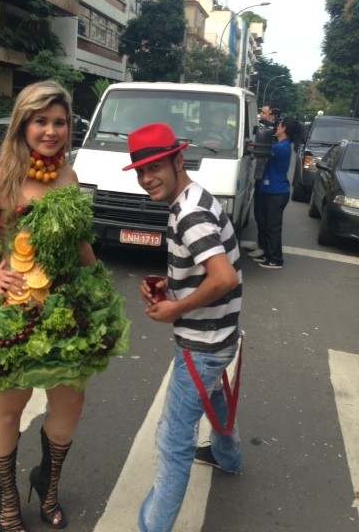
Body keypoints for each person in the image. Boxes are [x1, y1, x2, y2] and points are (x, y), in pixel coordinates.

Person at [0, 81, 130, 532]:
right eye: (41, 121)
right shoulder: (2, 176)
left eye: (59, 122)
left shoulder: (69, 177)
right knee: (8, 408)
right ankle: (8, 498)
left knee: (69, 408)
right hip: (13, 310)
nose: (51, 131)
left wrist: (97, 282)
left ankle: (48, 482)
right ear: (23, 124)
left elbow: (76, 242)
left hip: (66, 310)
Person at [122, 123, 243, 532]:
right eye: (140, 172)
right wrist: (169, 285)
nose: (146, 179)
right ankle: (228, 456)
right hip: (219, 334)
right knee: (215, 397)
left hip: (203, 342)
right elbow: (204, 266)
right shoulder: (195, 198)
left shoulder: (189, 212)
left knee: (173, 442)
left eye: (154, 167)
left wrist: (177, 309)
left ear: (178, 160)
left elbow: (224, 278)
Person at [253, 116, 301, 269]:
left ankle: (276, 259)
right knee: (267, 225)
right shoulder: (280, 145)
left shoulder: (282, 147)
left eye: (279, 125)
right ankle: (267, 254)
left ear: (284, 129)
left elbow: (261, 151)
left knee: (273, 227)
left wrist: (249, 146)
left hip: (277, 192)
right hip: (271, 190)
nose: (277, 127)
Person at [246, 104, 279, 259]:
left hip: (266, 179)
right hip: (257, 175)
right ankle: (260, 242)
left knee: (263, 215)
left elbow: (265, 150)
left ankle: (264, 246)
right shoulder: (263, 128)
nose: (261, 114)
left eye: (264, 112)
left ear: (272, 115)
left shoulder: (272, 134)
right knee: (258, 212)